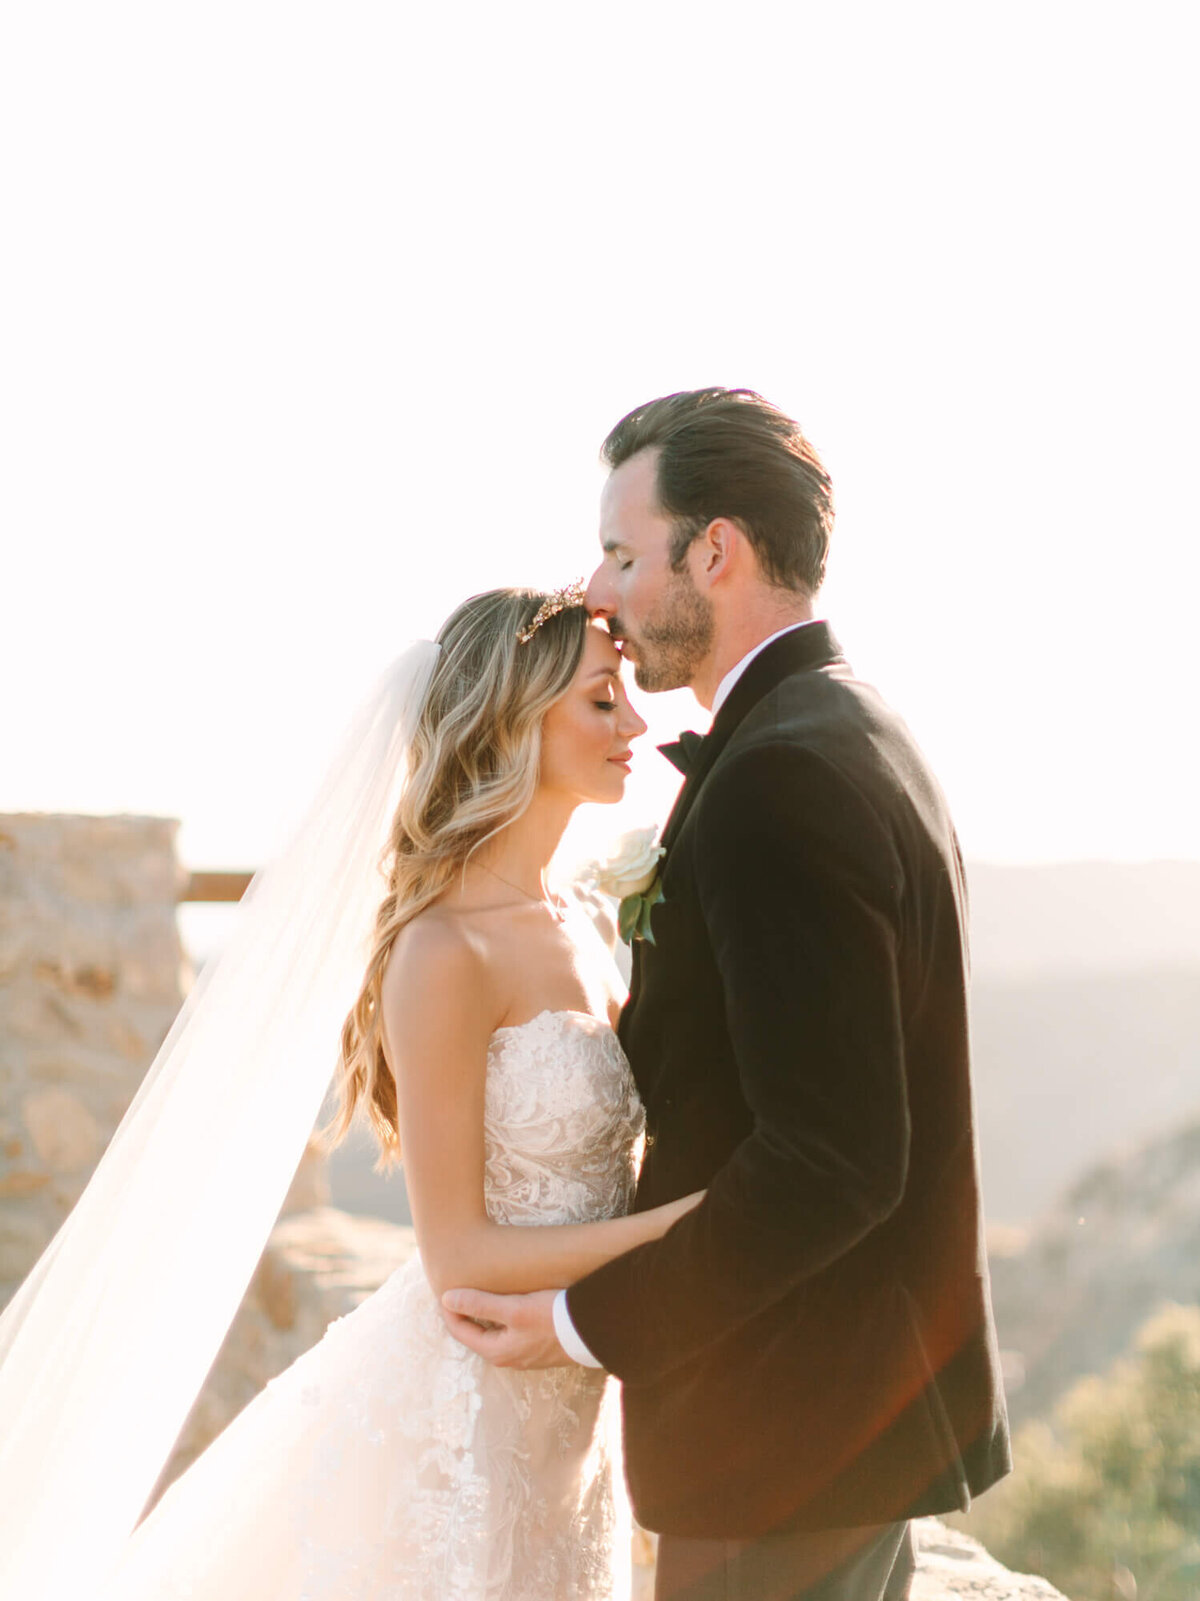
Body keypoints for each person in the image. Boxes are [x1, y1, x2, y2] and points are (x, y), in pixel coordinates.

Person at [1, 586, 700, 1601]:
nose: (636, 720)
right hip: (465, 1423)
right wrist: (687, 1231)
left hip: (572, 1418)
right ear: (512, 721)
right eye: (602, 698)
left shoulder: (589, 916)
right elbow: (458, 1253)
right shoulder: (444, 947)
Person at [441, 389, 1013, 1601]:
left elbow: (833, 1162)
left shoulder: (780, 775)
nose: (599, 590)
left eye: (619, 550)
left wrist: (586, 1323)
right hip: (835, 1431)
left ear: (718, 549)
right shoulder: (847, 724)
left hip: (783, 1437)